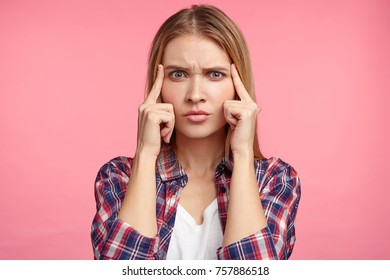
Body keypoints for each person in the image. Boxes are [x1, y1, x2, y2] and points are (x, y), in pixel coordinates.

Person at [91, 4, 301, 260]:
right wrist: (146, 154)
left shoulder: (275, 180)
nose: (195, 95)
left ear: (239, 86)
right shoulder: (118, 178)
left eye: (215, 74)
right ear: (158, 84)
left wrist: (243, 154)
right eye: (178, 74)